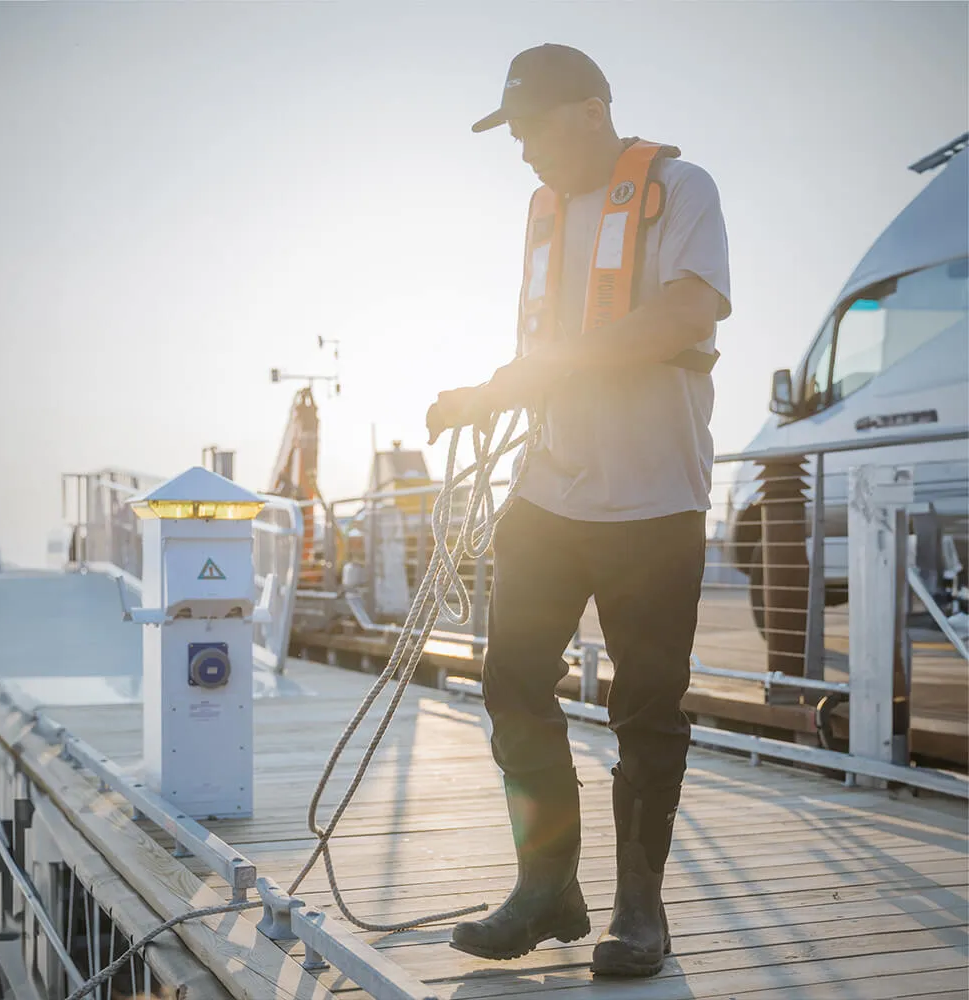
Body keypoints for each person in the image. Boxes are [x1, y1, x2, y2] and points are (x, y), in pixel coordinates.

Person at [426, 43, 731, 978]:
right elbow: (547, 348)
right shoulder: (543, 213)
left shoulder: (682, 190)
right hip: (550, 494)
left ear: (591, 110)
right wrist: (487, 392)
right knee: (512, 679)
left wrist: (531, 374)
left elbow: (685, 313)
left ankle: (641, 912)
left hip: (654, 503)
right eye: (512, 133)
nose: (522, 151)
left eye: (529, 127)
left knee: (645, 710)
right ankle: (547, 886)